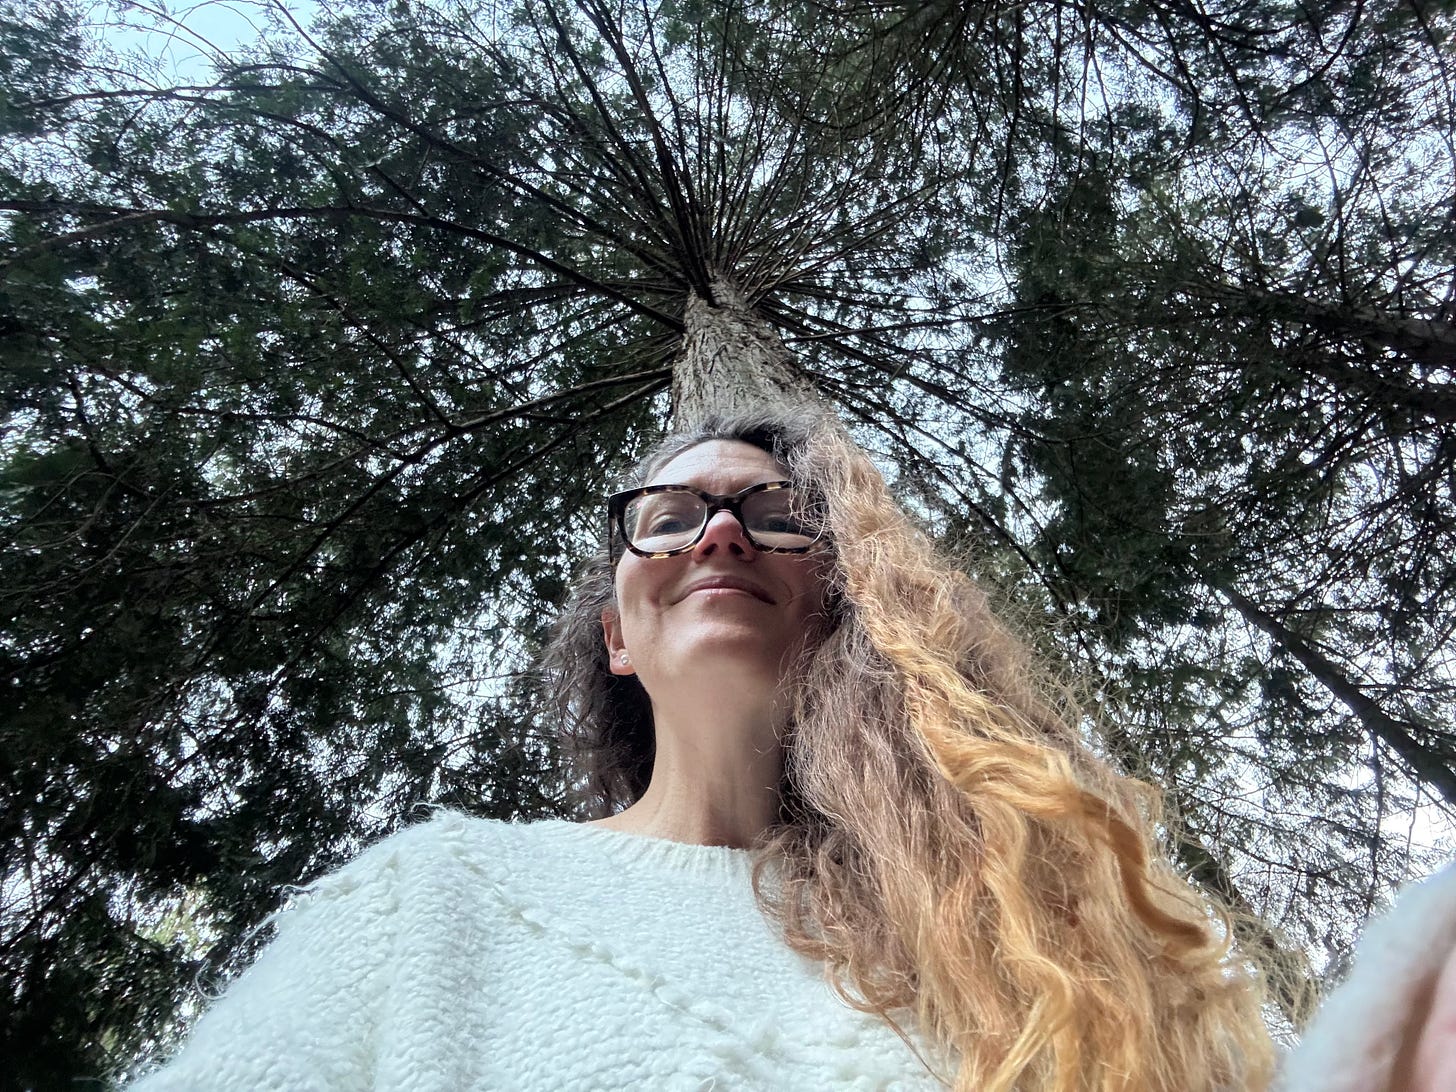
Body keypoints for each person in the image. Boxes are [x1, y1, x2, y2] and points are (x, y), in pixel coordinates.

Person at [129, 407, 1275, 1091]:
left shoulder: (1027, 919)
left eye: (776, 515)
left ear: (850, 607)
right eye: (669, 519)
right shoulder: (436, 897)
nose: (721, 531)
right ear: (618, 638)